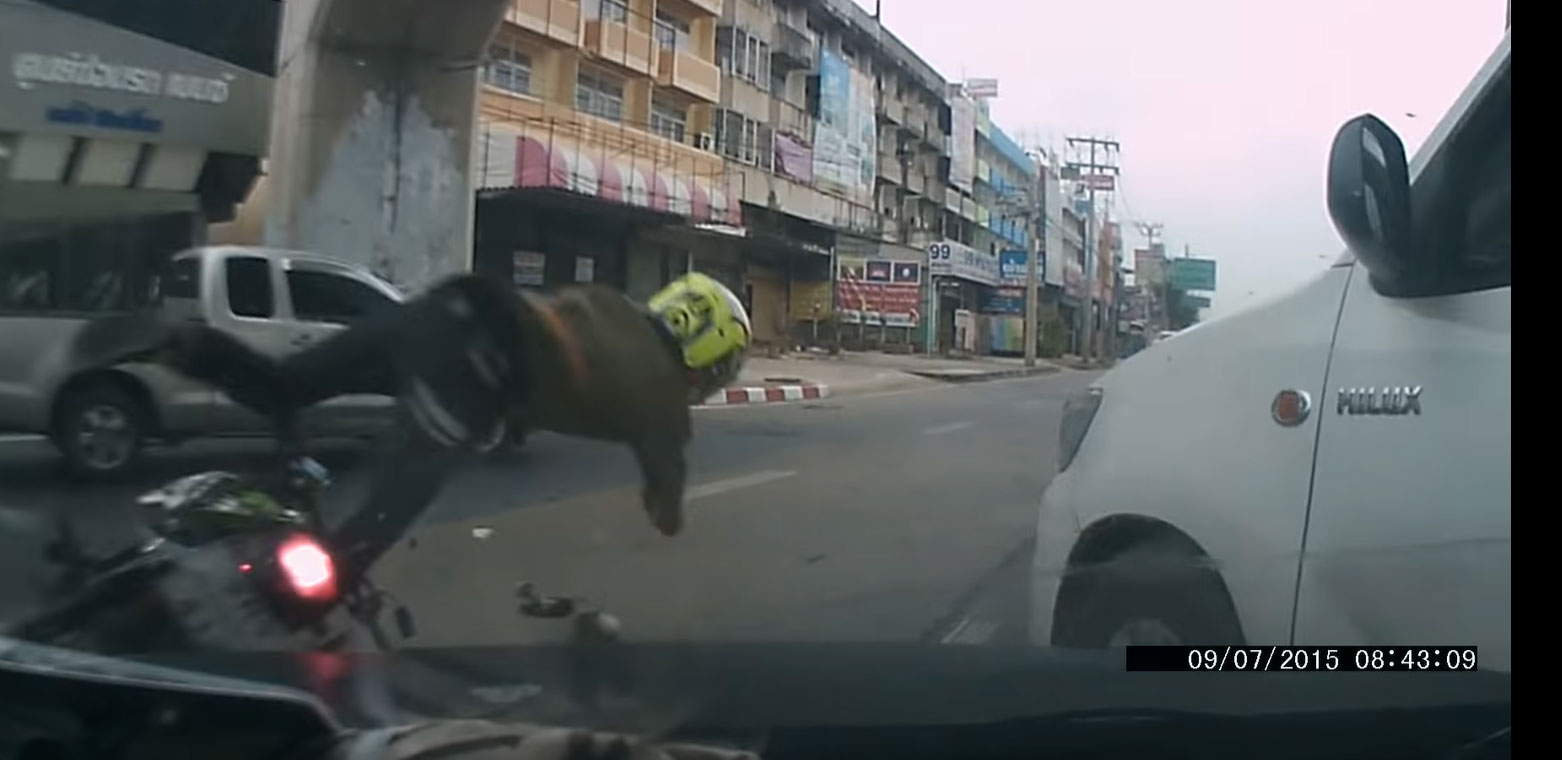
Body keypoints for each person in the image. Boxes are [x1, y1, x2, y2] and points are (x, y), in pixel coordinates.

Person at [70, 271, 752, 580]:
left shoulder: (613, 304)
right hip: (474, 372)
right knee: (360, 541)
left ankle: (186, 343)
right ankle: (306, 601)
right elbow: (665, 508)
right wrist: (668, 499)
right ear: (712, 357)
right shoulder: (667, 410)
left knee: (285, 389)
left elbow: (557, 336)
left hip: (444, 308)